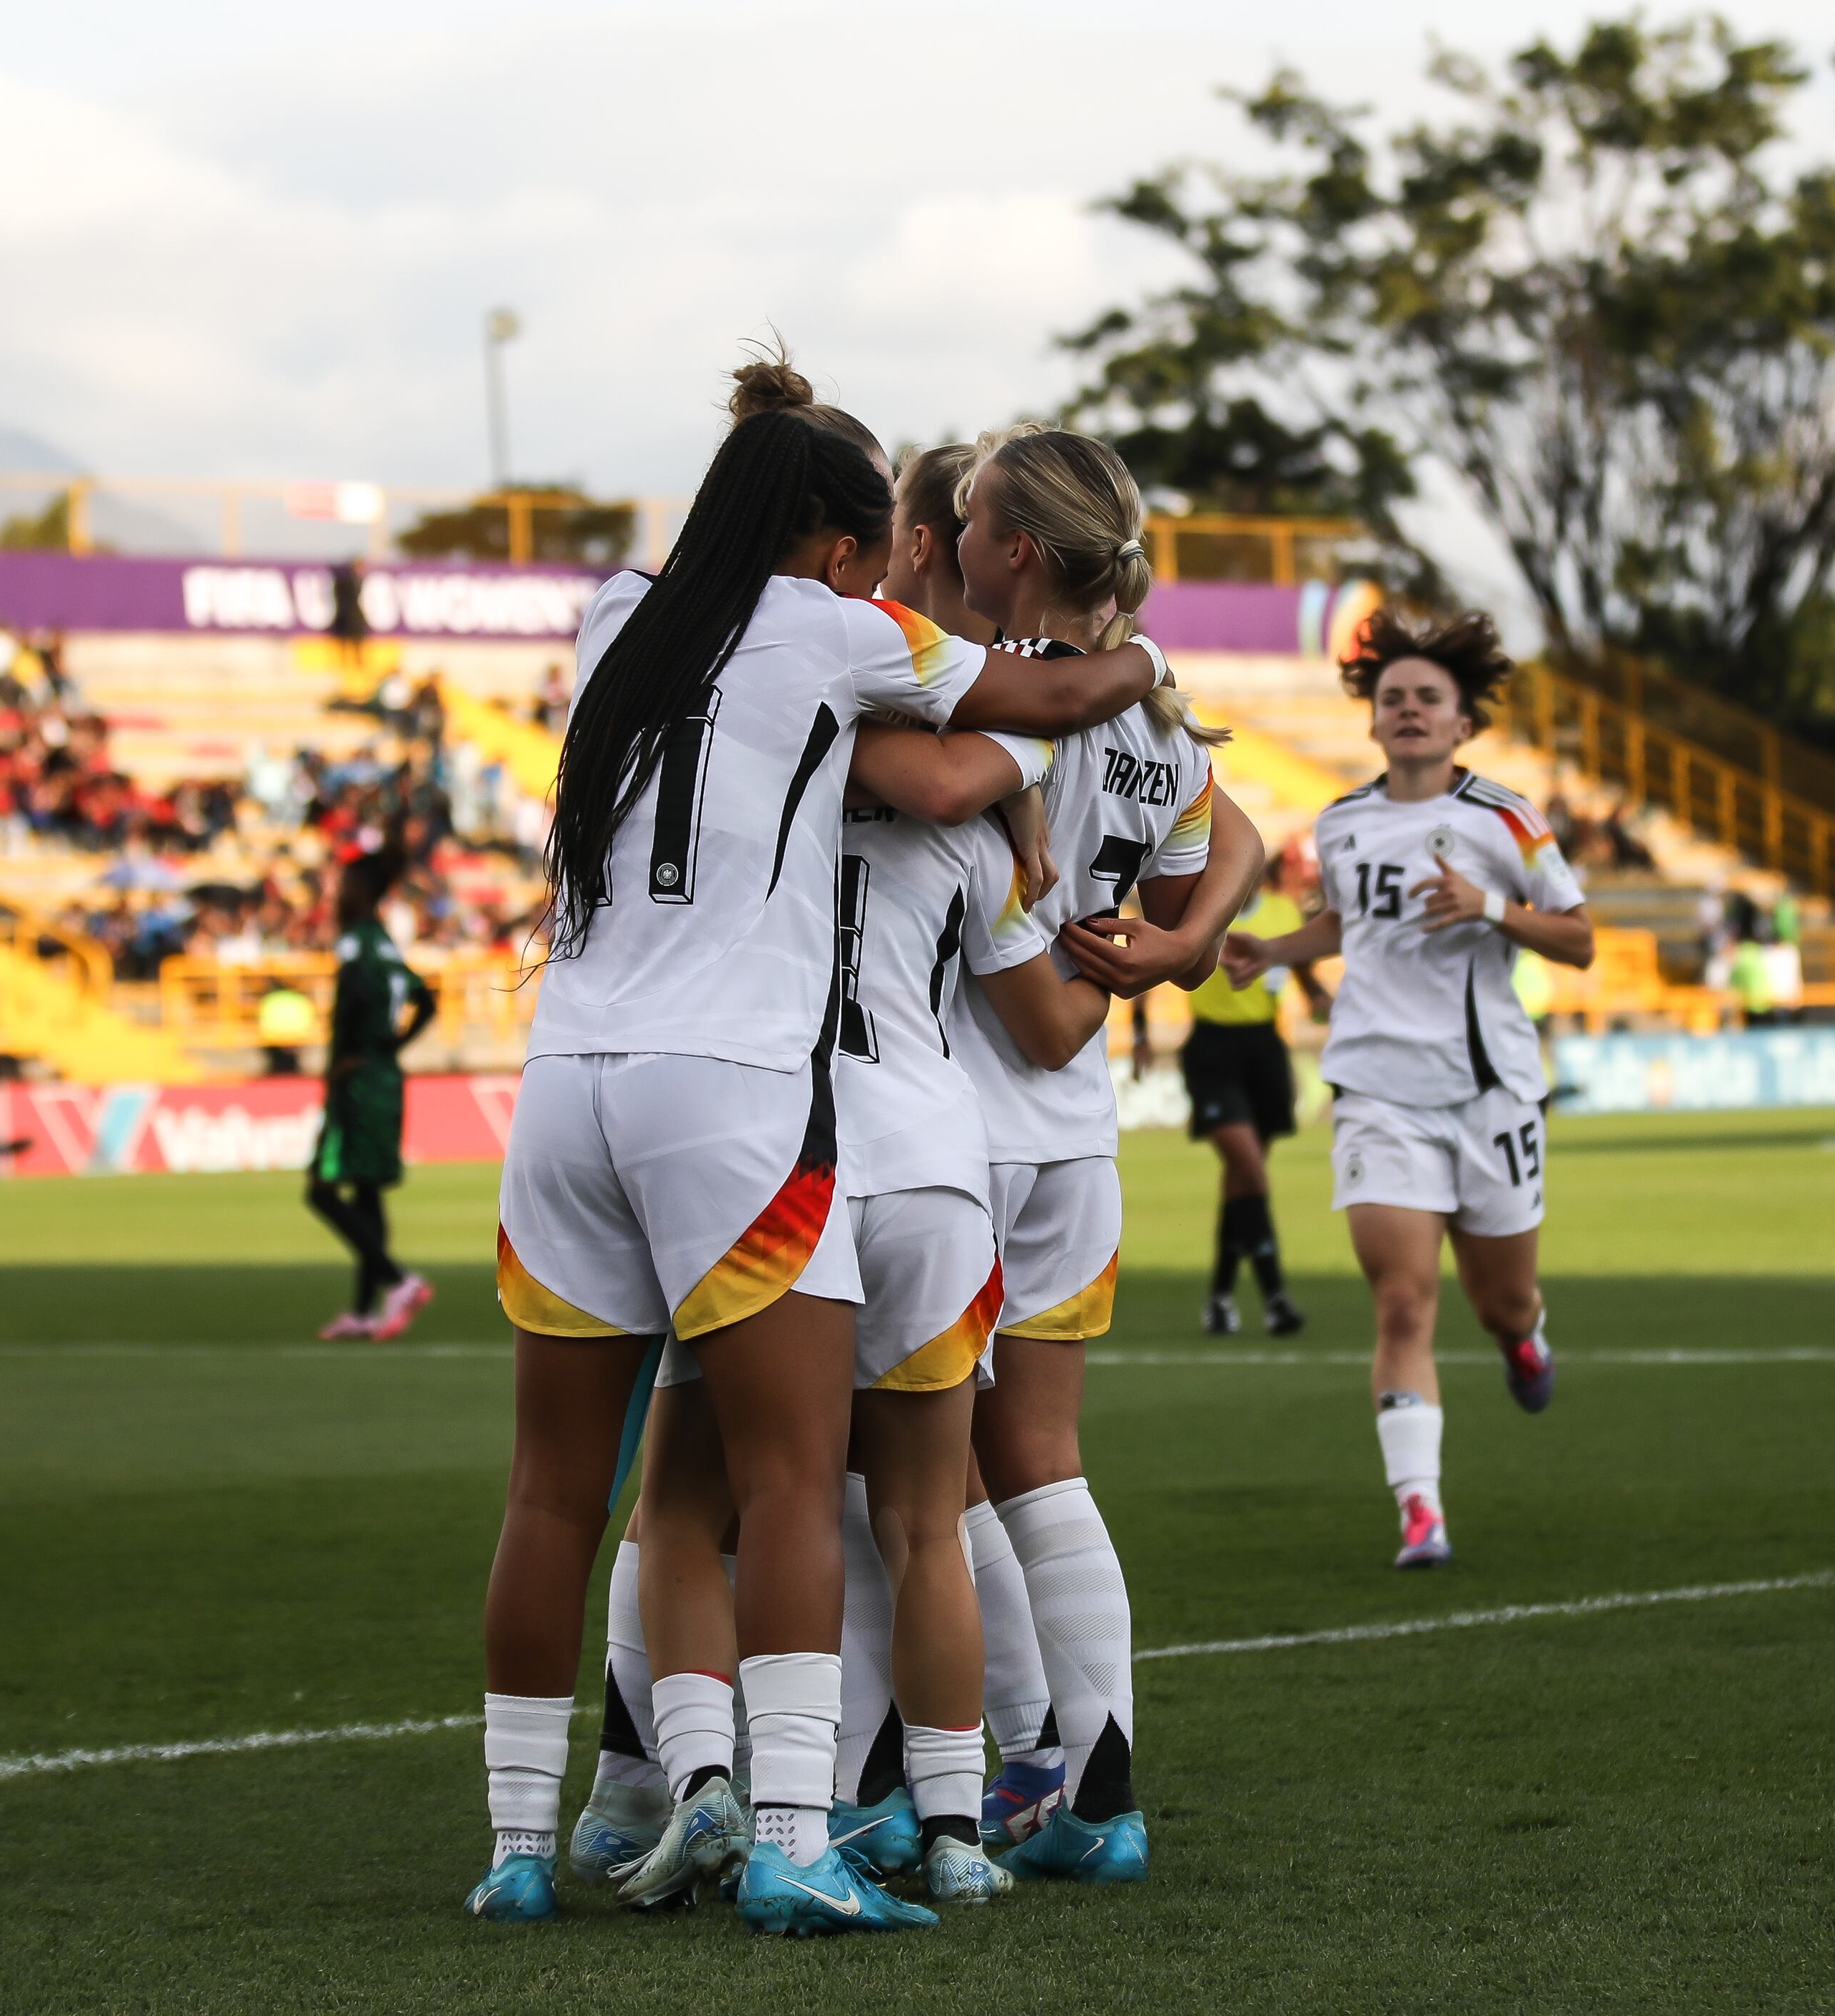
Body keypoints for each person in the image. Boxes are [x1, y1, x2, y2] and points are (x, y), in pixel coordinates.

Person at [465, 355, 1169, 1934]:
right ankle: (799, 1826)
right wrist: (1127, 671)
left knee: (561, 1495)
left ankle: (526, 1841)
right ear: (844, 547)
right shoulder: (841, 633)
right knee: (798, 1479)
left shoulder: (610, 611)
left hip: (564, 1074)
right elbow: (1028, 708)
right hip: (739, 1093)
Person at [940, 421, 1270, 1884]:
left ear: (1016, 548)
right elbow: (1219, 864)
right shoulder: (1155, 724)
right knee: (1045, 1463)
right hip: (1076, 1150)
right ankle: (1102, 1791)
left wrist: (1111, 980)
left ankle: (993, 1761)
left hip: (959, 1114)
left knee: (919, 1474)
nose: (945, 543)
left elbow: (1037, 990)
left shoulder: (1009, 714)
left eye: (963, 520)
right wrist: (1179, 947)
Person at [1220, 611, 1595, 1570]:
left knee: (1501, 1301)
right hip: (1376, 1090)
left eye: (1430, 698)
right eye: (1395, 700)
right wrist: (1275, 948)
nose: (1411, 711)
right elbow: (1346, 927)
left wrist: (1491, 909)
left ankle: (1523, 1339)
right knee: (1402, 1301)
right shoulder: (1342, 824)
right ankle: (1419, 1507)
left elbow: (1579, 938)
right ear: (1375, 721)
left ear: (1463, 721)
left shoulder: (1505, 819)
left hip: (1489, 1093)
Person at [1181, 855, 1325, 1335]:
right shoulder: (1204, 911)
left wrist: (1317, 995)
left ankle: (1220, 1298)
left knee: (1242, 1181)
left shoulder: (1284, 912)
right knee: (1249, 1168)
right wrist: (1139, 1035)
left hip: (1265, 1049)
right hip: (1213, 1048)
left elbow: (1299, 963)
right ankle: (1276, 1296)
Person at [307, 849, 438, 1341]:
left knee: (320, 1188)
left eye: (344, 886)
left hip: (358, 1078)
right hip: (386, 1075)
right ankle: (364, 1311)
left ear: (361, 891)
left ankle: (398, 1280)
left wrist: (345, 1056)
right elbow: (426, 1001)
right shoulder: (386, 943)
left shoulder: (356, 942)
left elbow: (358, 992)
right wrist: (394, 1046)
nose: (338, 895)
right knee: (366, 1190)